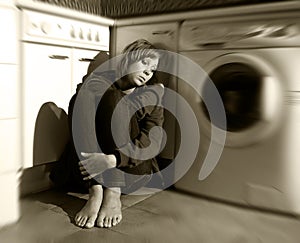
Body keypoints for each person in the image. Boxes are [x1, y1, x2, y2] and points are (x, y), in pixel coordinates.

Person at [50, 39, 165, 229]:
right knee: (82, 96)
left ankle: (113, 190)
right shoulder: (99, 82)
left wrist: (113, 160)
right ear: (127, 60)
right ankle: (95, 190)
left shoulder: (151, 94)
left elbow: (152, 141)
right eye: (144, 63)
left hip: (130, 171)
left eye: (152, 69)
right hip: (88, 169)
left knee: (112, 98)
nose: (147, 72)